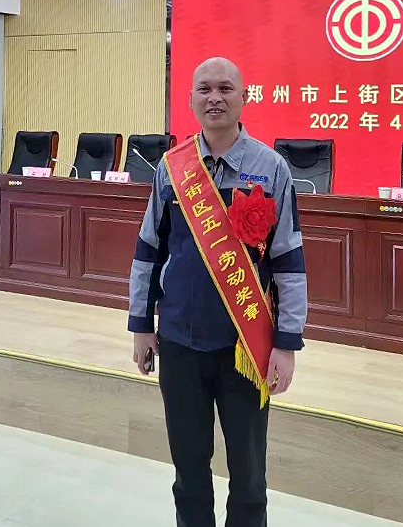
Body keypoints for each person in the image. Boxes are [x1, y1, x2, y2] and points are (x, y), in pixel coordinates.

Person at [128, 57, 307, 527]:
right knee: (189, 472)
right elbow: (148, 249)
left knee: (249, 479)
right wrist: (141, 325)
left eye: (225, 89)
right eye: (204, 89)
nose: (215, 98)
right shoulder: (172, 169)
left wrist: (287, 344)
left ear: (243, 98)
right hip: (179, 342)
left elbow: (289, 261)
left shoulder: (271, 168)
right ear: (190, 99)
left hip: (245, 347)